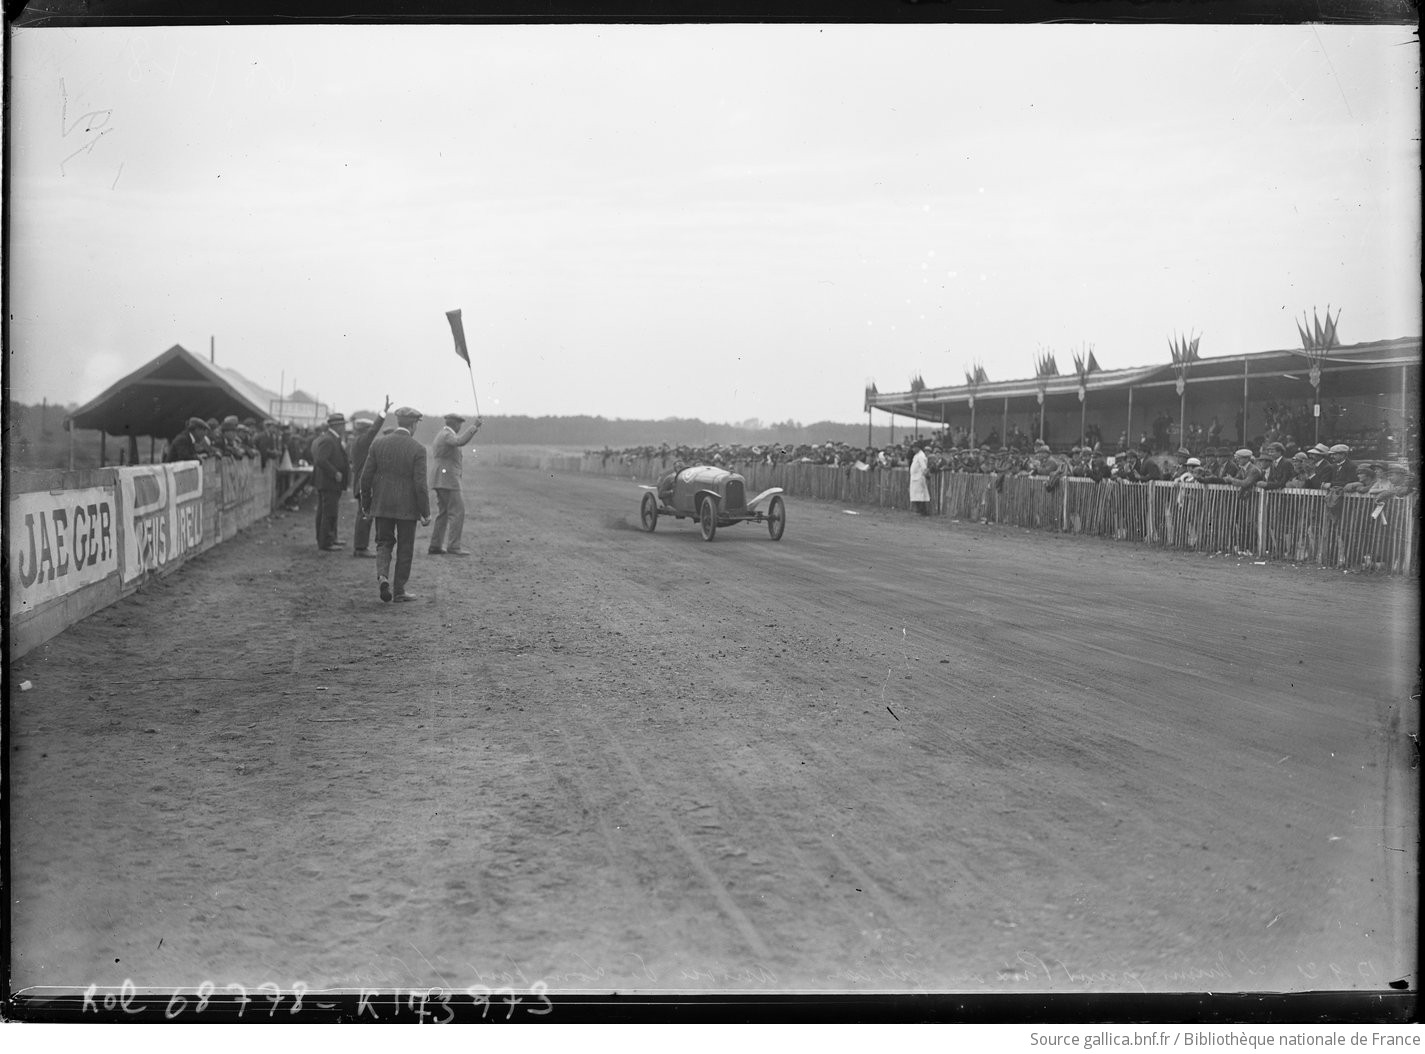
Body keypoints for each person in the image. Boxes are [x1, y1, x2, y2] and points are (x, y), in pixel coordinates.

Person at [359, 406, 430, 603]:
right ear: (414, 424)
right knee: (405, 547)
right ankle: (399, 590)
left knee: (383, 543)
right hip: (408, 508)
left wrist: (367, 504)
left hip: (382, 505)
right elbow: (420, 485)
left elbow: (365, 478)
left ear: (399, 422)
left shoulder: (378, 444)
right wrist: (426, 512)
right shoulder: (418, 449)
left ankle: (383, 577)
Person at [428, 412, 482, 556]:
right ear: (455, 424)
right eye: (460, 424)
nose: (460, 427)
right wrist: (474, 427)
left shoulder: (442, 434)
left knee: (444, 513)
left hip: (441, 479)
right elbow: (460, 441)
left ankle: (435, 545)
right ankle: (453, 546)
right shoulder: (447, 435)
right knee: (458, 512)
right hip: (448, 480)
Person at [348, 408, 385, 557]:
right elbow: (374, 430)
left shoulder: (357, 442)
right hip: (364, 484)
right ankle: (361, 548)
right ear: (364, 430)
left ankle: (360, 547)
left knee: (363, 515)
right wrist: (383, 413)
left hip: (360, 483)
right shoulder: (362, 441)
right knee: (365, 516)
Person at [310, 412, 350, 551]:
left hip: (329, 482)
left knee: (327, 511)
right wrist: (335, 473)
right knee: (328, 512)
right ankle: (326, 542)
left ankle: (329, 538)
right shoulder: (329, 439)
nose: (344, 427)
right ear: (337, 426)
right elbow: (321, 460)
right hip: (329, 482)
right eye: (343, 425)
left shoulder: (333, 438)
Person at [909, 437, 931, 515]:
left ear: (918, 447)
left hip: (919, 478)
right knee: (916, 495)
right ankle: (919, 510)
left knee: (920, 495)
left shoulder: (921, 456)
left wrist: (926, 475)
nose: (913, 449)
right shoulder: (916, 455)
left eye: (914, 447)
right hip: (915, 478)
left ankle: (923, 511)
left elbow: (924, 467)